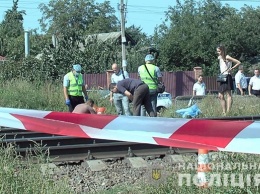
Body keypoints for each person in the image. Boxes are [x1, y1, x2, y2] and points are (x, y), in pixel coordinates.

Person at [216, 45, 241, 115]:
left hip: (227, 76)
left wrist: (232, 68)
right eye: (217, 51)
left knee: (228, 94)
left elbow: (238, 62)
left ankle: (228, 111)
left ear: (223, 50)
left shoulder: (227, 57)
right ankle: (224, 111)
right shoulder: (220, 57)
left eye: (219, 51)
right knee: (220, 96)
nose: (218, 52)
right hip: (222, 77)